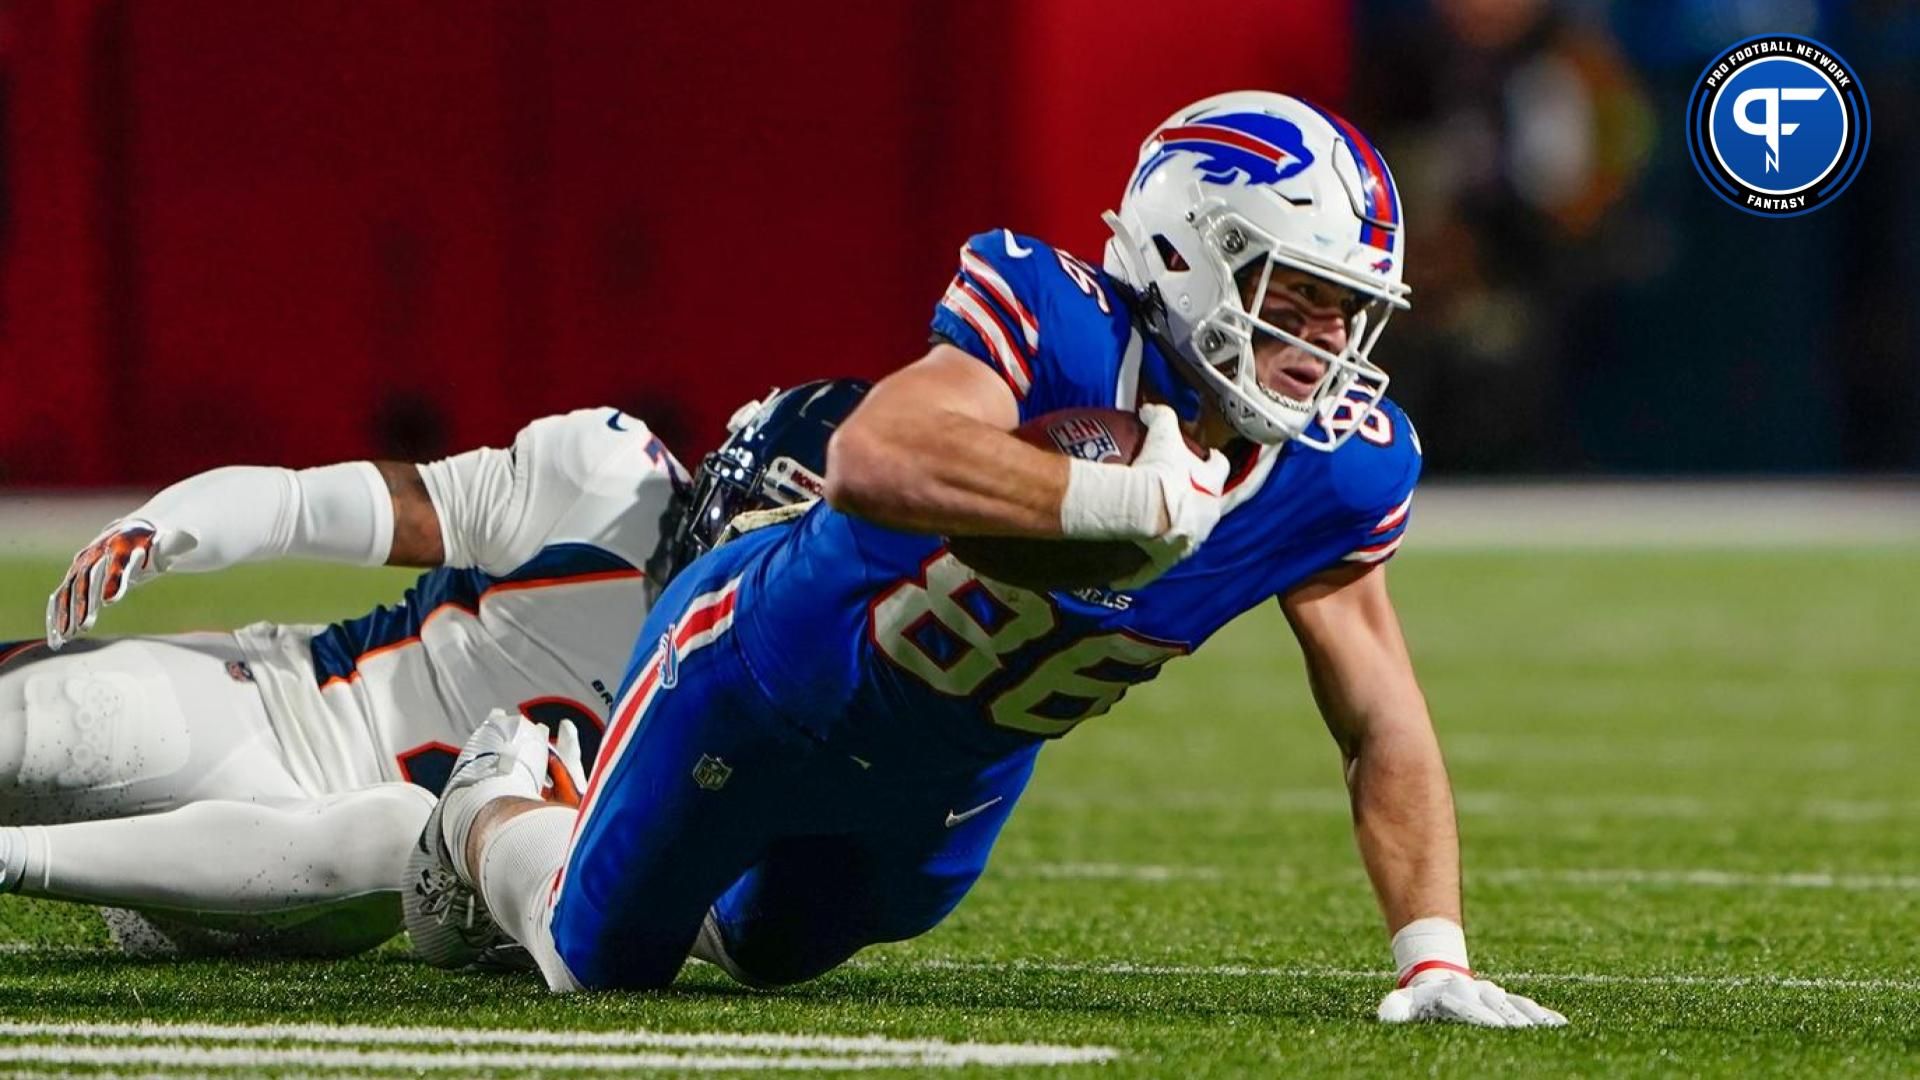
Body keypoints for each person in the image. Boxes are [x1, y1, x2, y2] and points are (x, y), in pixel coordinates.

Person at [420, 91, 1565, 1028]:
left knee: (770, 956)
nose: (1322, 347)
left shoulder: (1336, 471)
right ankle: (495, 802)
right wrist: (1102, 495)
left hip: (952, 776)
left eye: (1347, 314)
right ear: (1185, 254)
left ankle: (631, 842)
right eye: (1299, 299)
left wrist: (1433, 957)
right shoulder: (1059, 321)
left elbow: (1383, 719)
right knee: (600, 965)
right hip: (759, 683)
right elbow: (875, 453)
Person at [0, 392, 848, 957]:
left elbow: (710, 927)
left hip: (353, 892)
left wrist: (543, 866)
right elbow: (311, 506)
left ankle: (14, 857)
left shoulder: (806, 698)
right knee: (79, 717)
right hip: (284, 707)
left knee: (405, 826)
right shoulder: (608, 482)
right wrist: (165, 525)